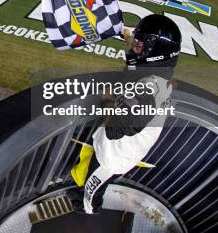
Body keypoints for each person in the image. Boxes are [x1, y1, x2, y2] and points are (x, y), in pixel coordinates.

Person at [69, 14, 182, 214]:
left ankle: (86, 208)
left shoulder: (149, 89)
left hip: (116, 155)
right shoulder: (157, 76)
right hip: (119, 147)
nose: (133, 47)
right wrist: (127, 35)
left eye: (140, 45)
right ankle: (83, 193)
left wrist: (107, 101)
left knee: (92, 189)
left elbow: (116, 130)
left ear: (155, 52)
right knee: (91, 173)